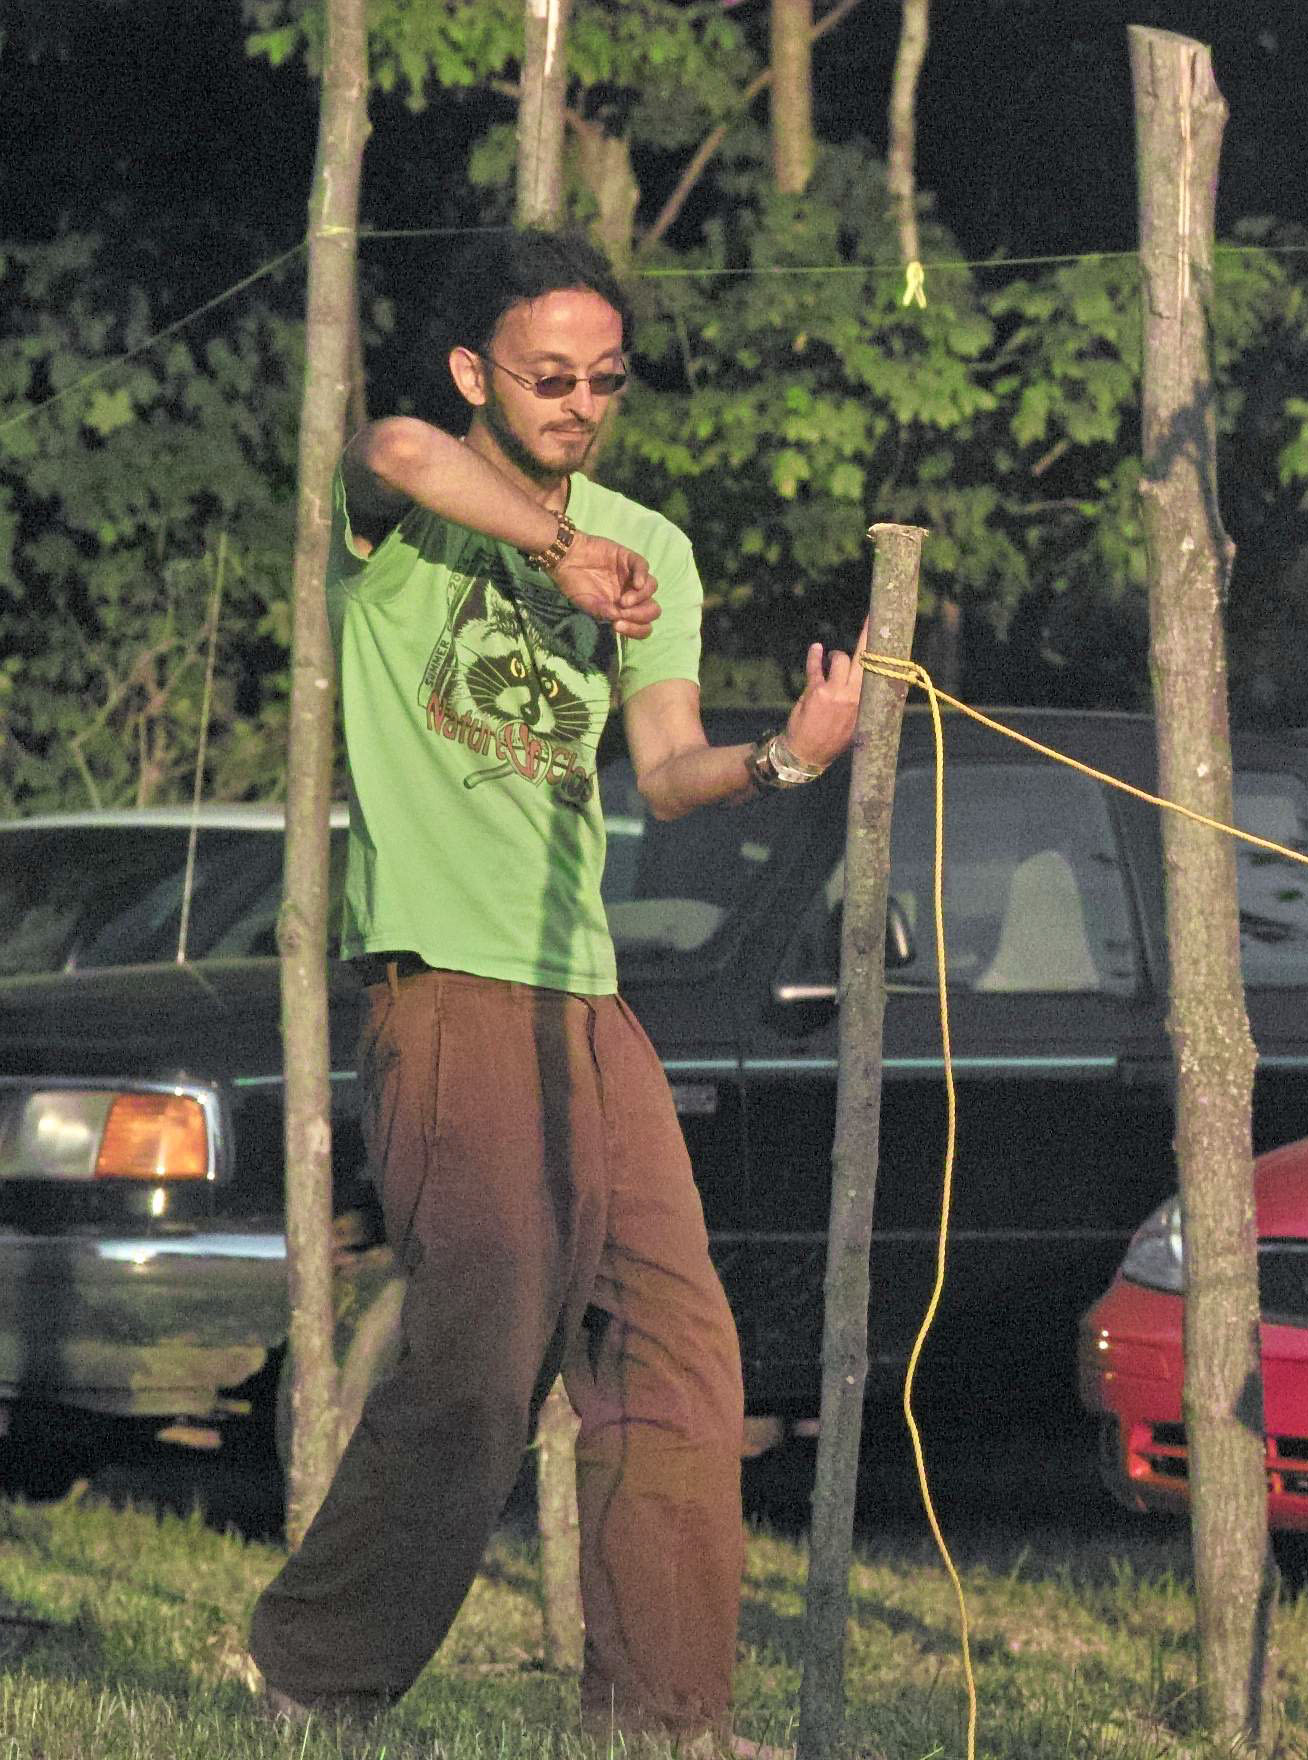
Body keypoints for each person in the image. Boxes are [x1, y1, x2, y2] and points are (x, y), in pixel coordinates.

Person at [247, 228, 857, 1755]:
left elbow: (667, 768)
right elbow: (393, 446)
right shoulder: (410, 511)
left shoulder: (652, 542)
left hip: (583, 993)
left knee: (678, 1343)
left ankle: (662, 1716)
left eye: (605, 380)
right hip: (445, 977)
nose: (581, 405)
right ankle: (315, 1667)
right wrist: (550, 548)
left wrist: (786, 755)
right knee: (486, 1339)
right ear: (476, 373)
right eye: (548, 377)